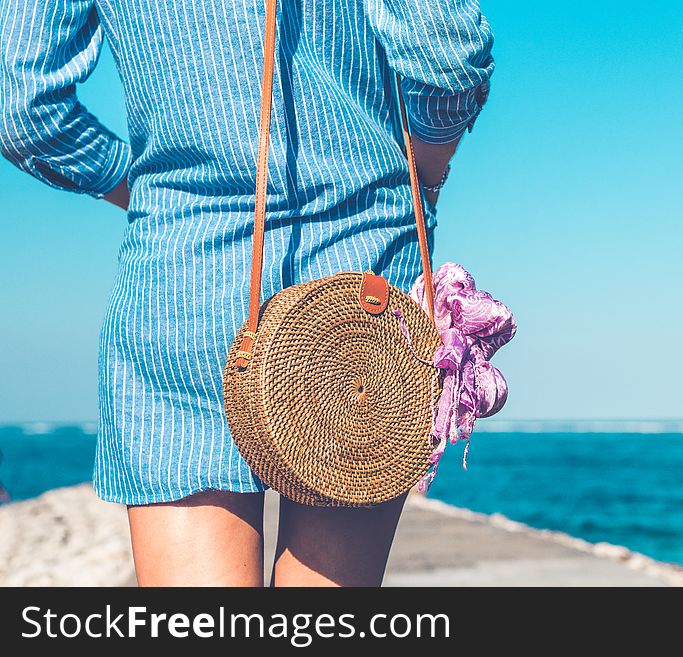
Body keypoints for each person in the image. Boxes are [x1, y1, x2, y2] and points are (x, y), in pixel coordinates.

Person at [0, 0, 494, 586]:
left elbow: (25, 112)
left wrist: (153, 194)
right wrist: (426, 171)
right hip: (361, 266)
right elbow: (448, 55)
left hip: (182, 276)